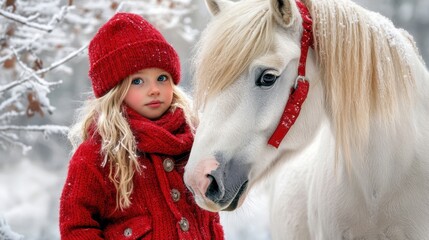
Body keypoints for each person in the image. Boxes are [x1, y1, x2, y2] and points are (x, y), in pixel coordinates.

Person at [59, 12, 224, 240]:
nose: (154, 89)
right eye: (138, 81)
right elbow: (76, 227)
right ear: (115, 91)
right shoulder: (97, 155)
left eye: (162, 78)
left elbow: (211, 218)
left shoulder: (194, 140)